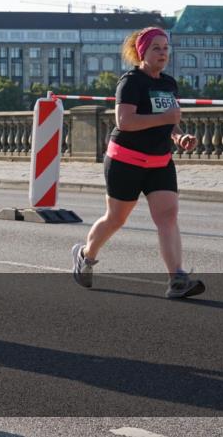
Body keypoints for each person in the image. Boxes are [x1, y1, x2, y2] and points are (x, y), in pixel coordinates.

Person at [71, 26, 205, 300]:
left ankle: (177, 278)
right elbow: (125, 122)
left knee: (167, 217)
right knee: (116, 219)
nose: (163, 53)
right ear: (142, 52)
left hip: (160, 162)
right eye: (156, 48)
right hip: (125, 161)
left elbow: (170, 120)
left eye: (166, 48)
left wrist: (179, 137)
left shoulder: (168, 83)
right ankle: (85, 256)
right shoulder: (130, 82)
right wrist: (166, 120)